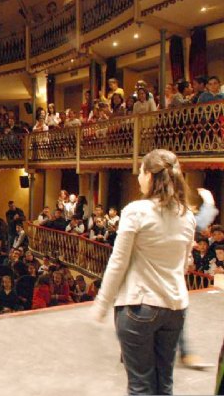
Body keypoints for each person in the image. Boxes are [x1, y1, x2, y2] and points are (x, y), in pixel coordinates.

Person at [91, 149, 195, 395]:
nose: (138, 178)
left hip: (139, 306)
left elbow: (118, 261)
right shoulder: (186, 214)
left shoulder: (136, 210)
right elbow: (185, 263)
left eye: (140, 173)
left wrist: (102, 303)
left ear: (150, 176)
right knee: (164, 384)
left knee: (140, 385)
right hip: (175, 307)